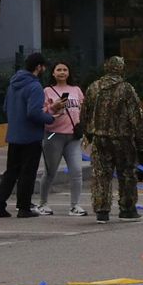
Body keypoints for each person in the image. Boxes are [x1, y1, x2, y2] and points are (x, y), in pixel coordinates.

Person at [78, 56, 143, 223]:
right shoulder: (126, 89)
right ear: (121, 69)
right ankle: (127, 208)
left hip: (99, 138)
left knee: (101, 175)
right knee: (127, 174)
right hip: (122, 139)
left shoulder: (93, 87)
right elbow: (136, 117)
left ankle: (102, 210)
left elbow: (85, 114)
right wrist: (141, 141)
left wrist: (89, 134)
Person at [0, 53, 53, 219]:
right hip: (30, 136)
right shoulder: (34, 86)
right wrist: (50, 117)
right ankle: (24, 207)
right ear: (39, 67)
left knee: (11, 171)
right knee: (28, 172)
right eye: (43, 66)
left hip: (14, 135)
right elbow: (34, 112)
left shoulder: (13, 84)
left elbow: (6, 107)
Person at [37, 61, 87, 217]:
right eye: (58, 70)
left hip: (73, 136)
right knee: (50, 171)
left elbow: (84, 109)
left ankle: (75, 205)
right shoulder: (47, 91)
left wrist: (84, 125)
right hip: (53, 135)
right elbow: (41, 111)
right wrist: (54, 107)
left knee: (77, 171)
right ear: (53, 73)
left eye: (65, 69)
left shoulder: (76, 90)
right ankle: (43, 203)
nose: (62, 72)